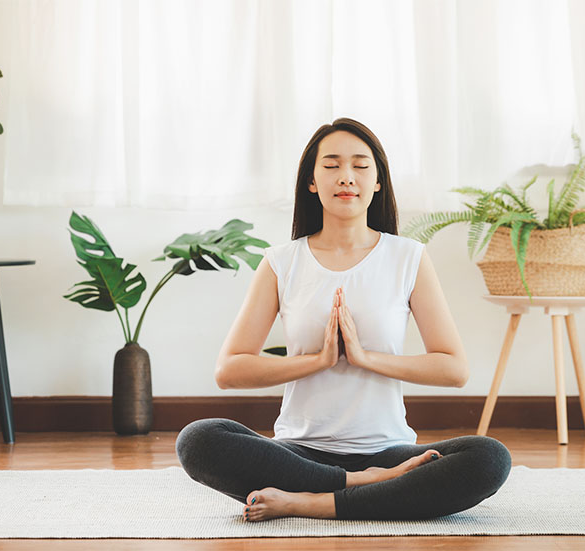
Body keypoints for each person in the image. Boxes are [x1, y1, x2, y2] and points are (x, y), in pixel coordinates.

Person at [176, 118, 511, 522]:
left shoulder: (408, 258)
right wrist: (318, 360)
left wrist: (364, 357)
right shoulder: (281, 262)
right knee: (198, 440)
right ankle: (361, 487)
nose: (346, 177)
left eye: (360, 166)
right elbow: (229, 370)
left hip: (387, 450)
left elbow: (454, 369)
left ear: (377, 182)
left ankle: (309, 502)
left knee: (489, 458)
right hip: (299, 452)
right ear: (312, 182)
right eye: (331, 165)